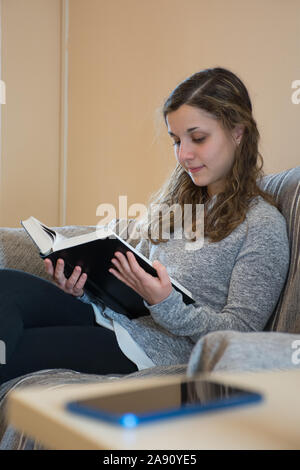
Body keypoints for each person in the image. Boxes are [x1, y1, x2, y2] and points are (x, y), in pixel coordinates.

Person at [0, 67, 290, 385]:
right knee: (6, 285)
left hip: (151, 354)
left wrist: (166, 303)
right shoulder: (176, 207)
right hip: (110, 322)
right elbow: (125, 286)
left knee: (17, 353)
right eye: (176, 141)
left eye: (198, 138)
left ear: (238, 132)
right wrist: (83, 289)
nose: (184, 154)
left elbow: (240, 335)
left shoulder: (263, 227)